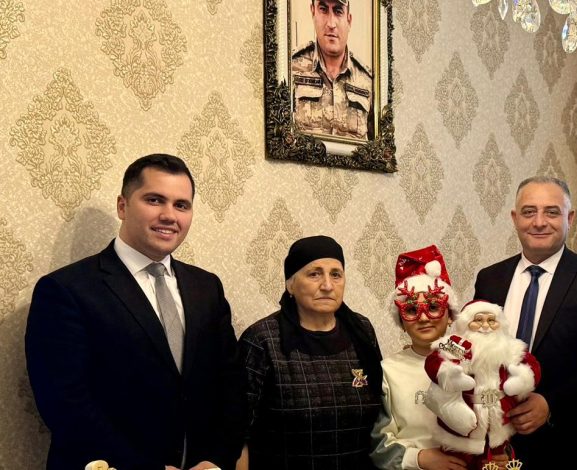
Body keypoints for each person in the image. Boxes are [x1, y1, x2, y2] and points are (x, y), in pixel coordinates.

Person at [25, 154, 246, 470]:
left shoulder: (207, 286)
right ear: (123, 206)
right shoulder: (65, 290)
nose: (169, 215)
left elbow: (232, 383)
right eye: (154, 200)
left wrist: (216, 459)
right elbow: (64, 402)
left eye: (181, 205)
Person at [473, 176, 577, 469]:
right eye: (529, 212)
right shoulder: (490, 279)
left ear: (569, 218)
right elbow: (477, 350)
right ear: (515, 218)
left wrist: (550, 404)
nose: (539, 222)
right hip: (502, 447)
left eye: (552, 212)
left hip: (576, 445)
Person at [239, 235, 383, 469]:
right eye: (314, 274)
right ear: (290, 285)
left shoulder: (362, 330)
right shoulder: (262, 340)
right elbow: (238, 431)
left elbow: (382, 412)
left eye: (336, 274)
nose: (327, 285)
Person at [371, 245, 468, 470]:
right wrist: (419, 458)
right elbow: (378, 443)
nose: (423, 318)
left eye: (433, 307)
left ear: (450, 315)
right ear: (402, 322)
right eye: (412, 310)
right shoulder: (387, 371)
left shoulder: (471, 363)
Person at [424, 300, 540, 470]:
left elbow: (532, 365)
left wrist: (522, 379)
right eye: (478, 320)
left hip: (499, 428)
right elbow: (434, 361)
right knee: (457, 463)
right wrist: (449, 375)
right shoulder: (454, 344)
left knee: (498, 463)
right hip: (462, 431)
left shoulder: (509, 347)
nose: (485, 326)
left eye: (491, 320)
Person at [291, 0, 374, 141]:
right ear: (313, 12)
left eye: (338, 11)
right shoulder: (290, 69)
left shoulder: (367, 81)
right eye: (323, 9)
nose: (331, 24)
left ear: (349, 20)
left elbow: (377, 147)